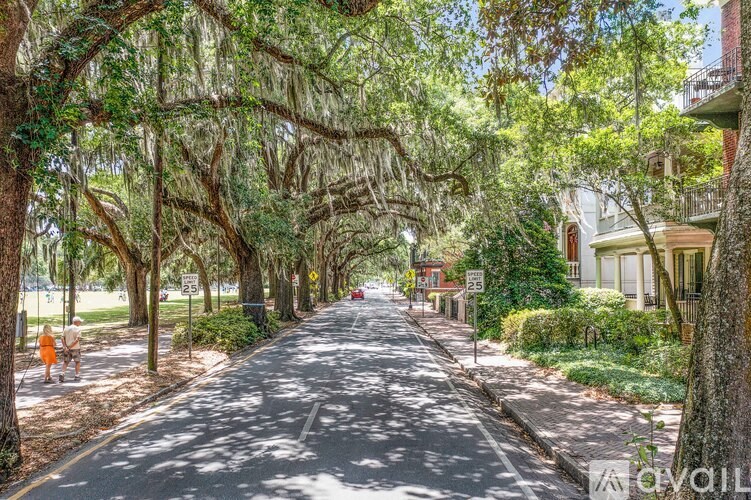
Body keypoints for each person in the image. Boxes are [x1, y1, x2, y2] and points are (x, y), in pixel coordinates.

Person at [59, 316, 83, 383]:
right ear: (77, 322)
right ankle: (77, 375)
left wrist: (65, 347)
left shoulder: (66, 328)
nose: (80, 323)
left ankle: (62, 373)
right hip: (75, 348)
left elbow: (62, 337)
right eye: (80, 322)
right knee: (77, 362)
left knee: (66, 362)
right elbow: (77, 340)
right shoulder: (77, 329)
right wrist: (70, 347)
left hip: (66, 348)